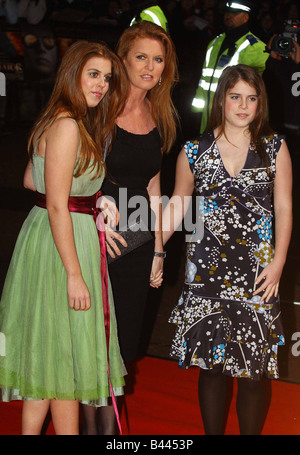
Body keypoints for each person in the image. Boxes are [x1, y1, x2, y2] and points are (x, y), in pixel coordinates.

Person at [0, 40, 128, 435]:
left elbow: (30, 180)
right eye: (93, 74)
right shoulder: (69, 124)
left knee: (54, 358)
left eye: (106, 78)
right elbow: (57, 204)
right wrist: (74, 273)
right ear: (72, 73)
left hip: (49, 239)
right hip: (63, 248)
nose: (102, 85)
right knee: (64, 352)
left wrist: (94, 196)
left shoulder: (57, 118)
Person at [163, 64, 293, 435]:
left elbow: (283, 206)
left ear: (260, 104)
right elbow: (177, 204)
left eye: (251, 99)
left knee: (253, 371)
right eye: (235, 97)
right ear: (221, 100)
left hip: (258, 272)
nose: (243, 105)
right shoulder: (194, 150)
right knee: (213, 366)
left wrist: (280, 260)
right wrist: (155, 248)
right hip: (206, 273)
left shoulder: (274, 147)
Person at [82, 20, 178, 435]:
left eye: (158, 60)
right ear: (123, 58)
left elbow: (155, 188)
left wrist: (158, 249)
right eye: (141, 56)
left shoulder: (159, 112)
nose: (150, 67)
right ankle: (100, 432)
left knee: (122, 347)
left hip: (138, 243)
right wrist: (93, 208)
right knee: (93, 346)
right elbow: (55, 172)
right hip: (99, 240)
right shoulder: (100, 106)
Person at [191, 0, 269, 134]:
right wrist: (196, 111)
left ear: (246, 17)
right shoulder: (215, 42)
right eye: (227, 12)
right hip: (207, 118)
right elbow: (204, 78)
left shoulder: (256, 48)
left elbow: (256, 92)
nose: (229, 16)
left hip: (234, 119)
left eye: (235, 13)